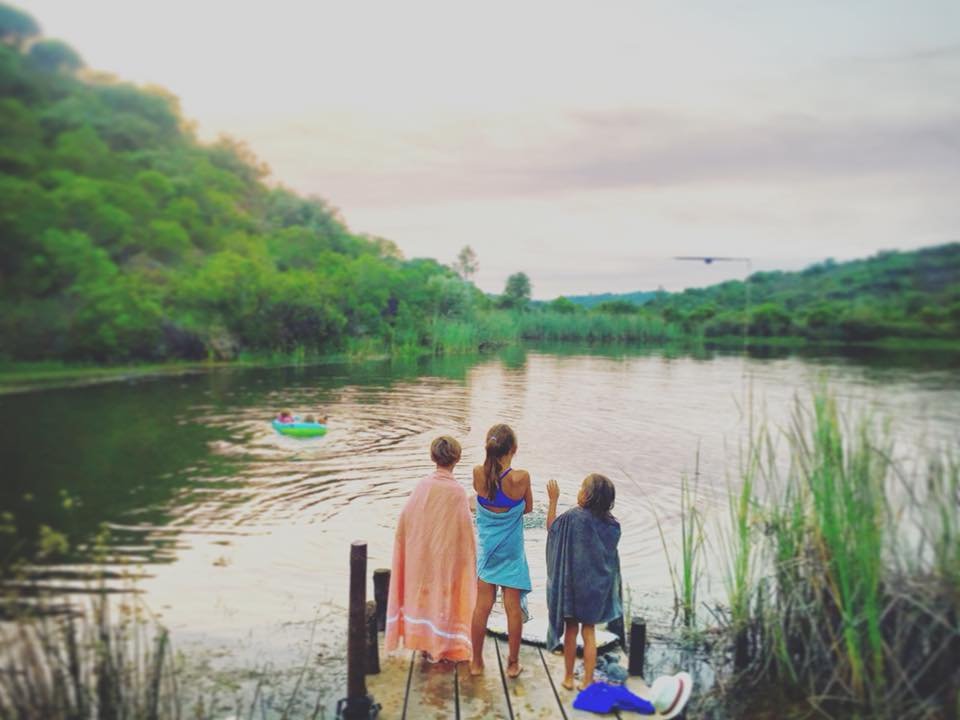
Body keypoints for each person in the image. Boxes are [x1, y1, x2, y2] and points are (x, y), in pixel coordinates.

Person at [385, 436, 477, 662]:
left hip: (422, 556)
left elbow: (406, 518)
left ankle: (426, 645)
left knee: (426, 599)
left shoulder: (423, 486)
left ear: (432, 457)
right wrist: (469, 557)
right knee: (442, 600)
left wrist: (415, 544)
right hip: (445, 558)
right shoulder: (455, 492)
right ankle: (440, 646)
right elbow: (465, 531)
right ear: (457, 459)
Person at [546, 474, 623, 691]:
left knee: (571, 631)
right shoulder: (612, 525)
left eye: (581, 487)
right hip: (595, 590)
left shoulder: (572, 518)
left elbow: (552, 528)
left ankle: (569, 678)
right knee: (589, 633)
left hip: (573, 587)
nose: (579, 490)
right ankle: (588, 680)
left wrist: (553, 501)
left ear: (587, 495)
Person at [470, 424, 532, 678]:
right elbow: (528, 508)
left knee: (482, 606)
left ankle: (476, 663)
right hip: (511, 551)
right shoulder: (521, 477)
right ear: (513, 449)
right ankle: (513, 664)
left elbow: (480, 500)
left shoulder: (477, 473)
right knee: (512, 608)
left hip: (489, 550)